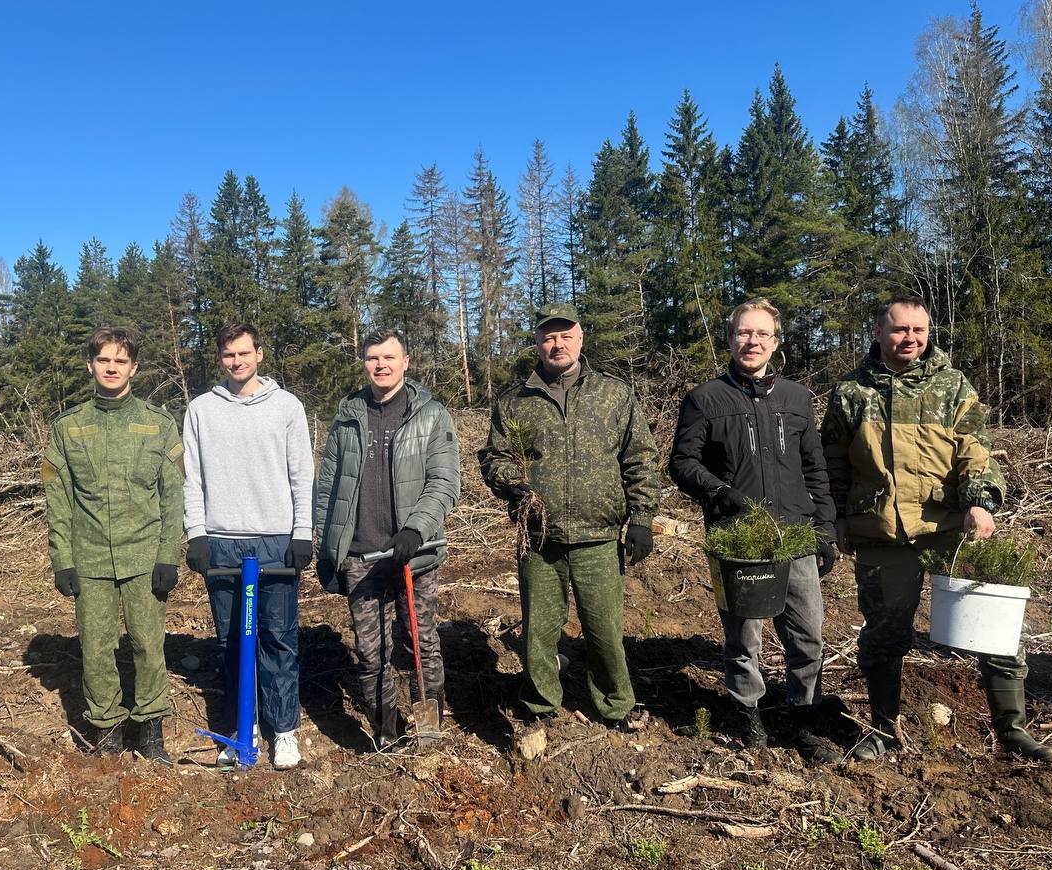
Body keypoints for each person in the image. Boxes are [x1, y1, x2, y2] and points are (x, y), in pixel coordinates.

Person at [822, 296, 1052, 763]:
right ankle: (883, 730)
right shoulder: (851, 392)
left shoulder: (952, 386)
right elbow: (833, 462)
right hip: (882, 532)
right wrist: (839, 517)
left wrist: (980, 503)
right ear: (878, 333)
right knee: (884, 635)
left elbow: (975, 450)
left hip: (950, 525)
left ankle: (1012, 732)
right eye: (899, 329)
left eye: (919, 329)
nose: (909, 338)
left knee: (998, 628)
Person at [669, 298, 837, 763]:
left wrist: (825, 529)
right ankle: (747, 711)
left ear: (776, 343)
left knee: (807, 636)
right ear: (730, 339)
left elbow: (815, 468)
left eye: (762, 334)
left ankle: (804, 715)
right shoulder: (705, 398)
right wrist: (720, 492)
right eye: (744, 332)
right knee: (744, 637)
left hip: (795, 535)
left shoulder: (796, 398)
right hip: (737, 540)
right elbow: (681, 462)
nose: (752, 341)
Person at [479, 302, 660, 731]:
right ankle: (539, 704)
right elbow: (493, 457)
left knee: (605, 631)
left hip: (599, 536)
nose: (557, 344)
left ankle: (615, 704)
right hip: (539, 538)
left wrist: (642, 517)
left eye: (565, 335)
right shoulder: (515, 400)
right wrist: (511, 482)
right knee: (539, 631)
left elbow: (640, 457)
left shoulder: (613, 393)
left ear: (580, 338)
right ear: (537, 342)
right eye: (548, 336)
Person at [43, 327, 184, 762]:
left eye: (120, 361)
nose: (111, 368)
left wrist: (168, 555)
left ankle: (151, 731)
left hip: (143, 556)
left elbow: (173, 496)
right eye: (103, 360)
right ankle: (107, 731)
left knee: (148, 644)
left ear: (134, 368)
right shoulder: (68, 428)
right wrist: (62, 559)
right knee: (97, 648)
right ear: (90, 365)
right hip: (89, 559)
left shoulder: (159, 425)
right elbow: (58, 499)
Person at [314, 329, 460, 750]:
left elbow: (444, 482)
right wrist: (328, 550)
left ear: (406, 362)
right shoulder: (347, 417)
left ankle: (429, 726)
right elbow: (328, 489)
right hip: (360, 557)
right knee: (370, 650)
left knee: (420, 643)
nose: (380, 365)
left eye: (389, 357)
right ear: (364, 363)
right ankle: (385, 727)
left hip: (414, 555)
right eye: (372, 358)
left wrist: (417, 528)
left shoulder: (431, 415)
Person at [183, 324, 314, 770]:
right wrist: (196, 533)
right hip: (222, 542)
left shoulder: (286, 407)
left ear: (259, 353)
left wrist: (302, 532)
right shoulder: (201, 410)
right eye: (228, 354)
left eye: (243, 353)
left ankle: (284, 731)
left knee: (279, 637)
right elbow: (193, 477)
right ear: (220, 358)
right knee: (232, 641)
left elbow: (302, 474)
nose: (236, 361)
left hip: (275, 539)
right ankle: (244, 725)